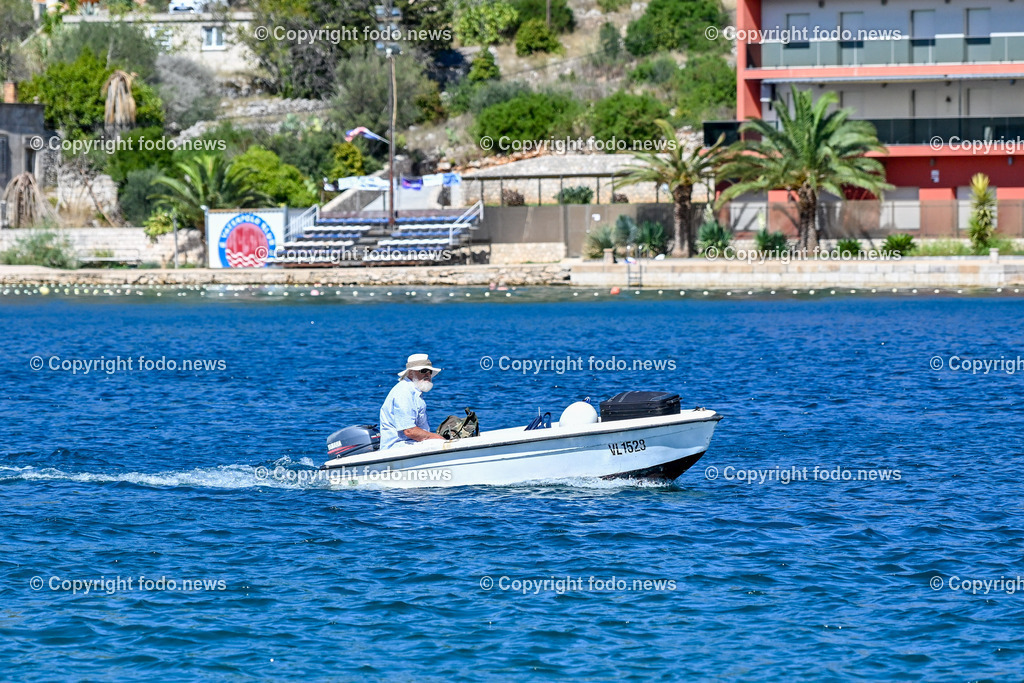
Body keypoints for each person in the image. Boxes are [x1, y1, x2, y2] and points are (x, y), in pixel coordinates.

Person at [379, 353, 446, 450]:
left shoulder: (414, 391)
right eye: (423, 371)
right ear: (410, 373)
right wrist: (438, 438)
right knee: (440, 442)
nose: (427, 374)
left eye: (430, 371)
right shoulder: (404, 392)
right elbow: (410, 431)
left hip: (411, 444)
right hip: (397, 448)